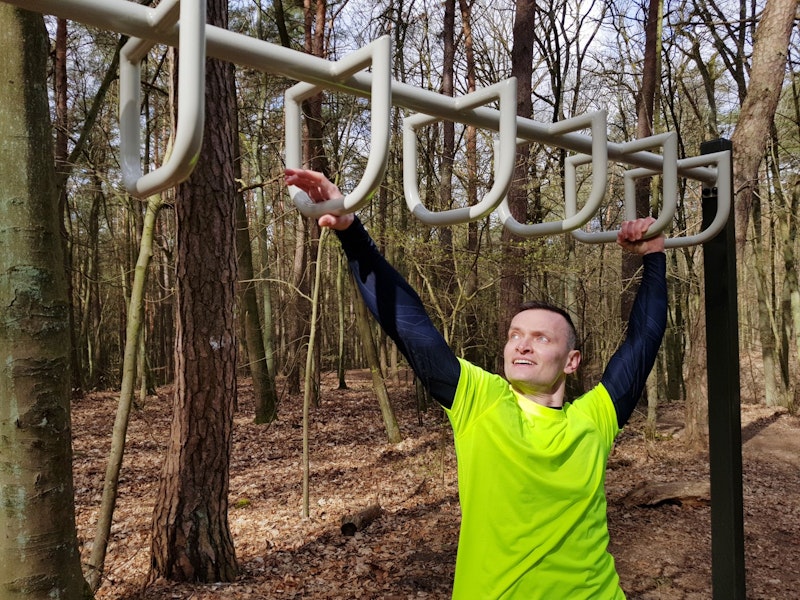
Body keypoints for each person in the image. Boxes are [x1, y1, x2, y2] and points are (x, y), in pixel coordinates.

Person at [285, 168, 667, 599]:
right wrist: (353, 234)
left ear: (572, 361)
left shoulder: (596, 418)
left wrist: (653, 254)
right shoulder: (481, 400)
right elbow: (411, 328)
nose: (522, 346)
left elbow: (644, 339)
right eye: (515, 335)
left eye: (541, 338)